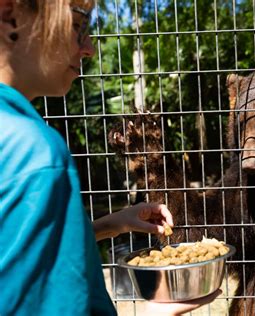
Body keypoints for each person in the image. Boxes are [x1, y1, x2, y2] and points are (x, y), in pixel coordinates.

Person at [0, 1, 221, 315]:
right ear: (11, 15)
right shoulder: (35, 153)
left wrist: (109, 225)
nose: (88, 48)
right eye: (77, 26)